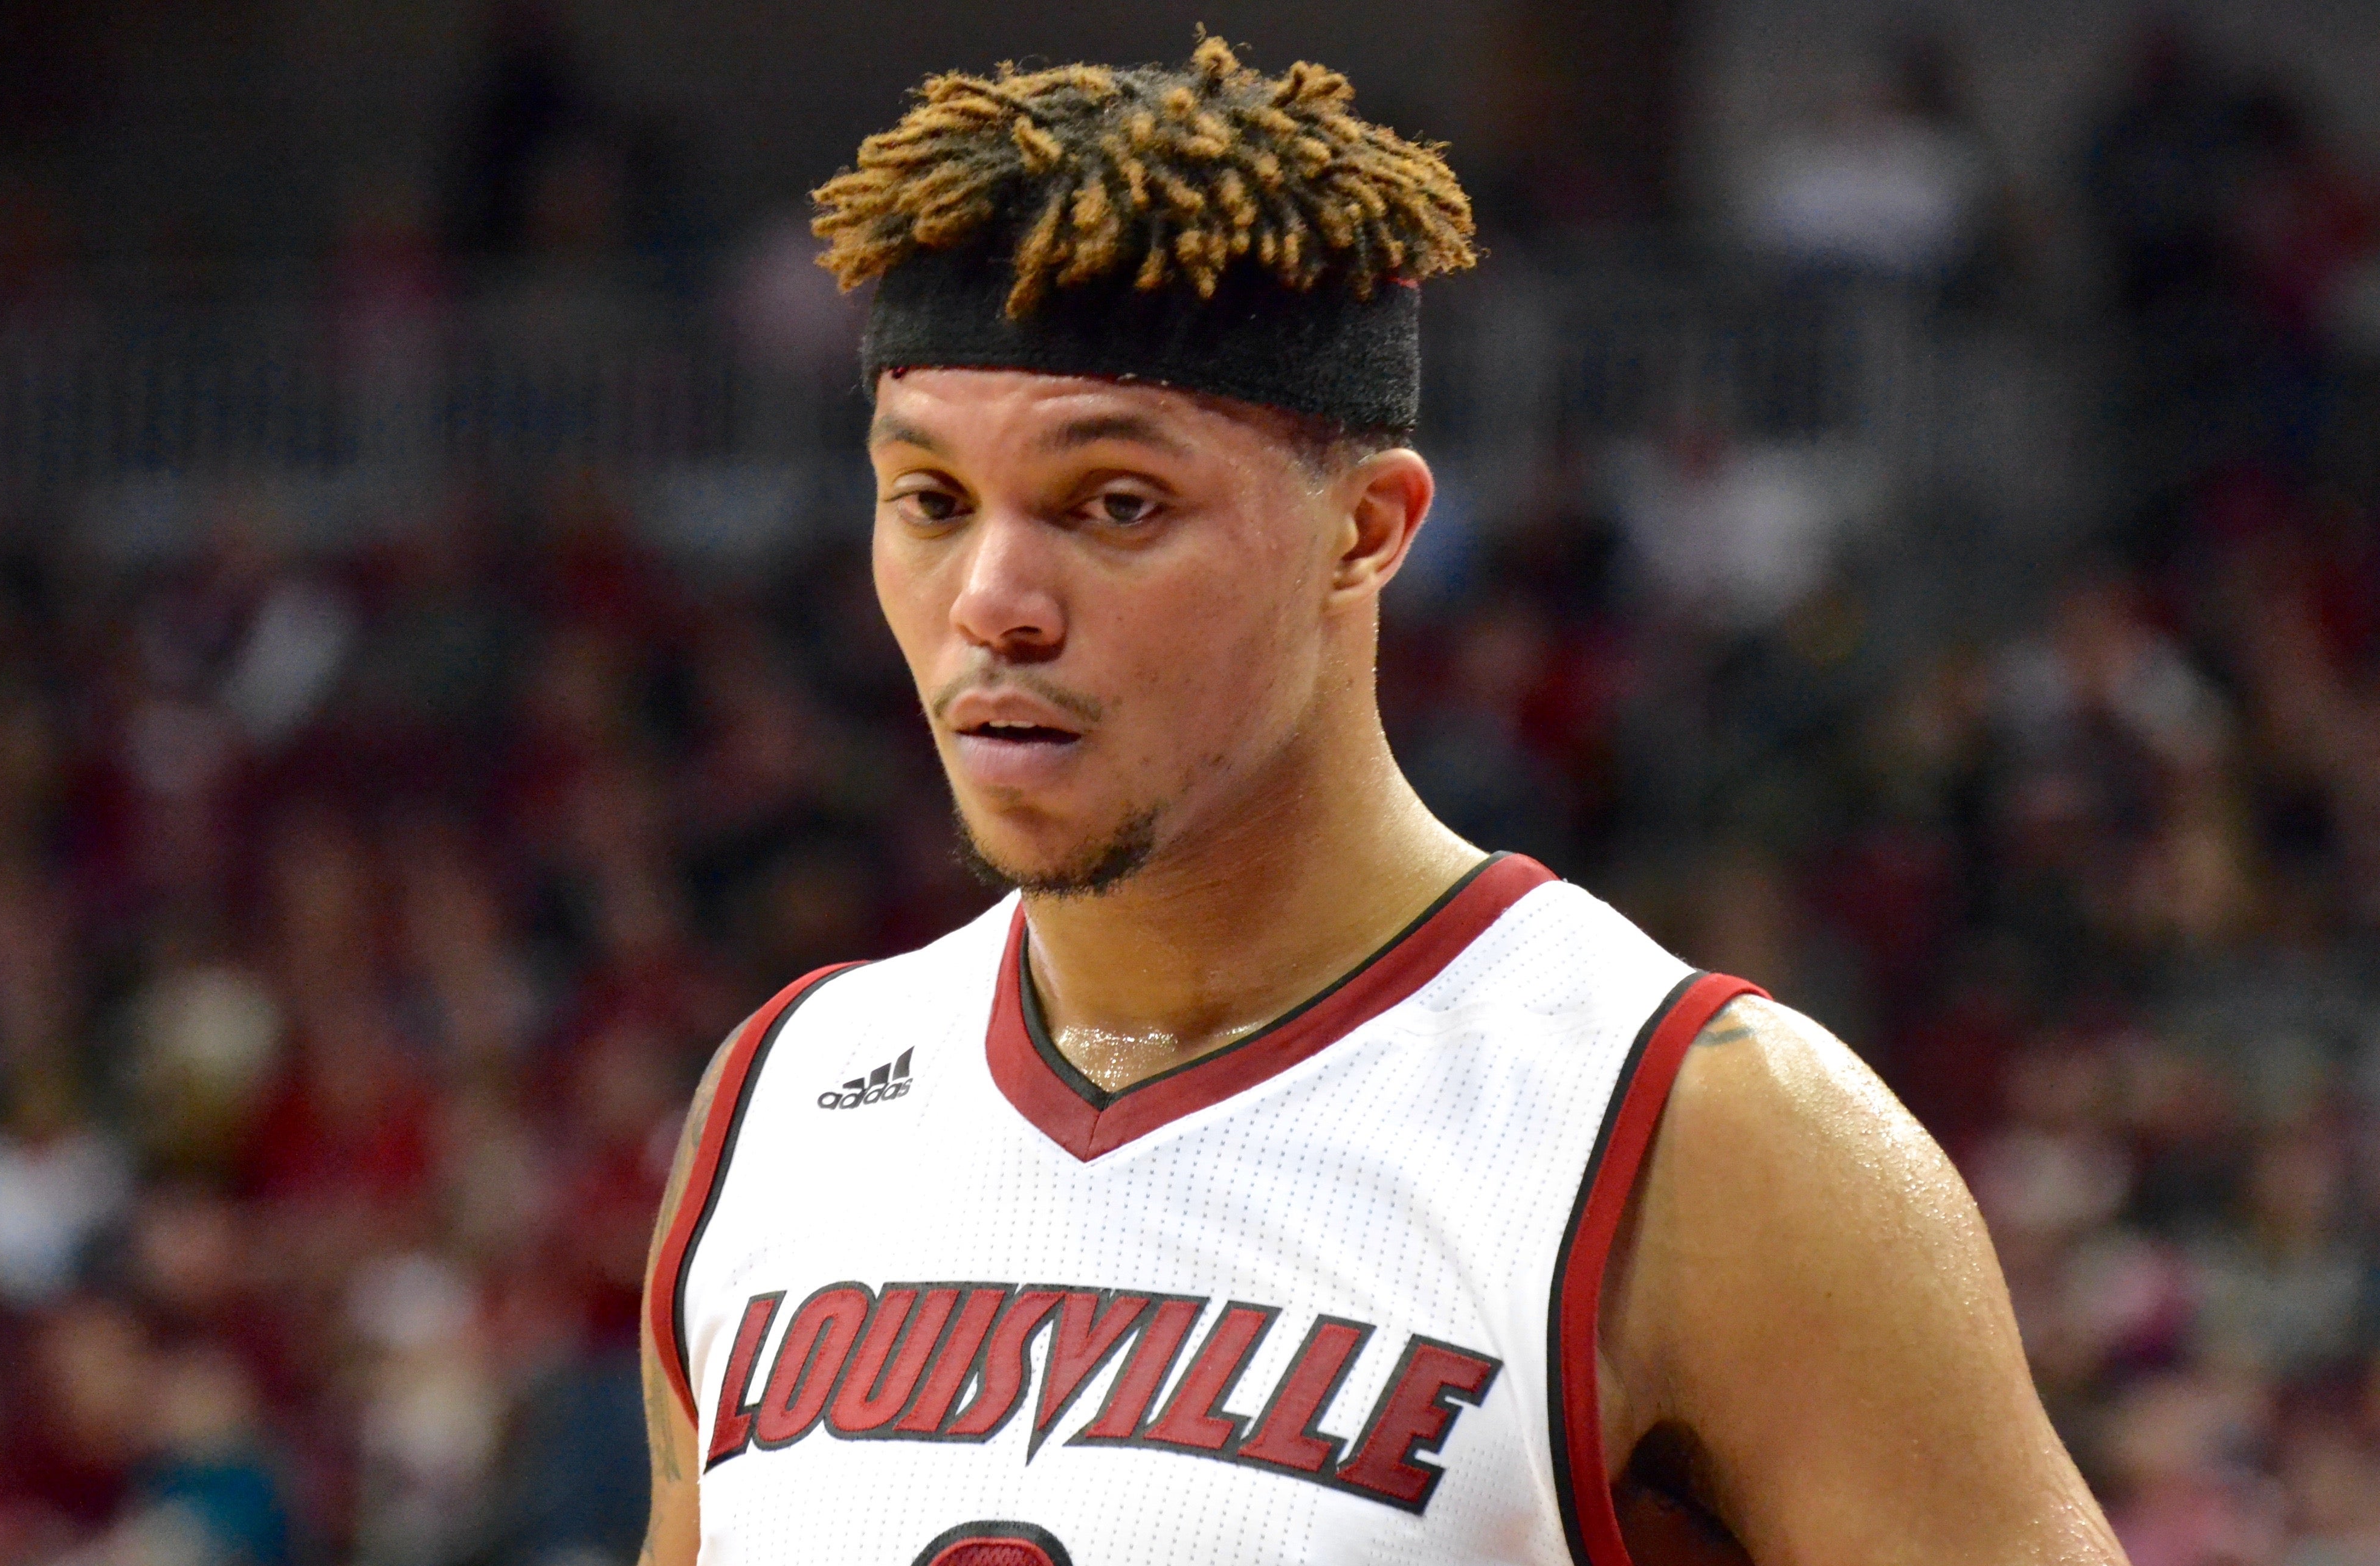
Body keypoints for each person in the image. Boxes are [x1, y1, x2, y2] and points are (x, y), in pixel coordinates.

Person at [636, 39, 2124, 1566]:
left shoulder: (1708, 1136)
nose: (996, 603)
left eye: (1115, 505)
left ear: (1366, 530)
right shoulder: (779, 1110)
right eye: (932, 504)